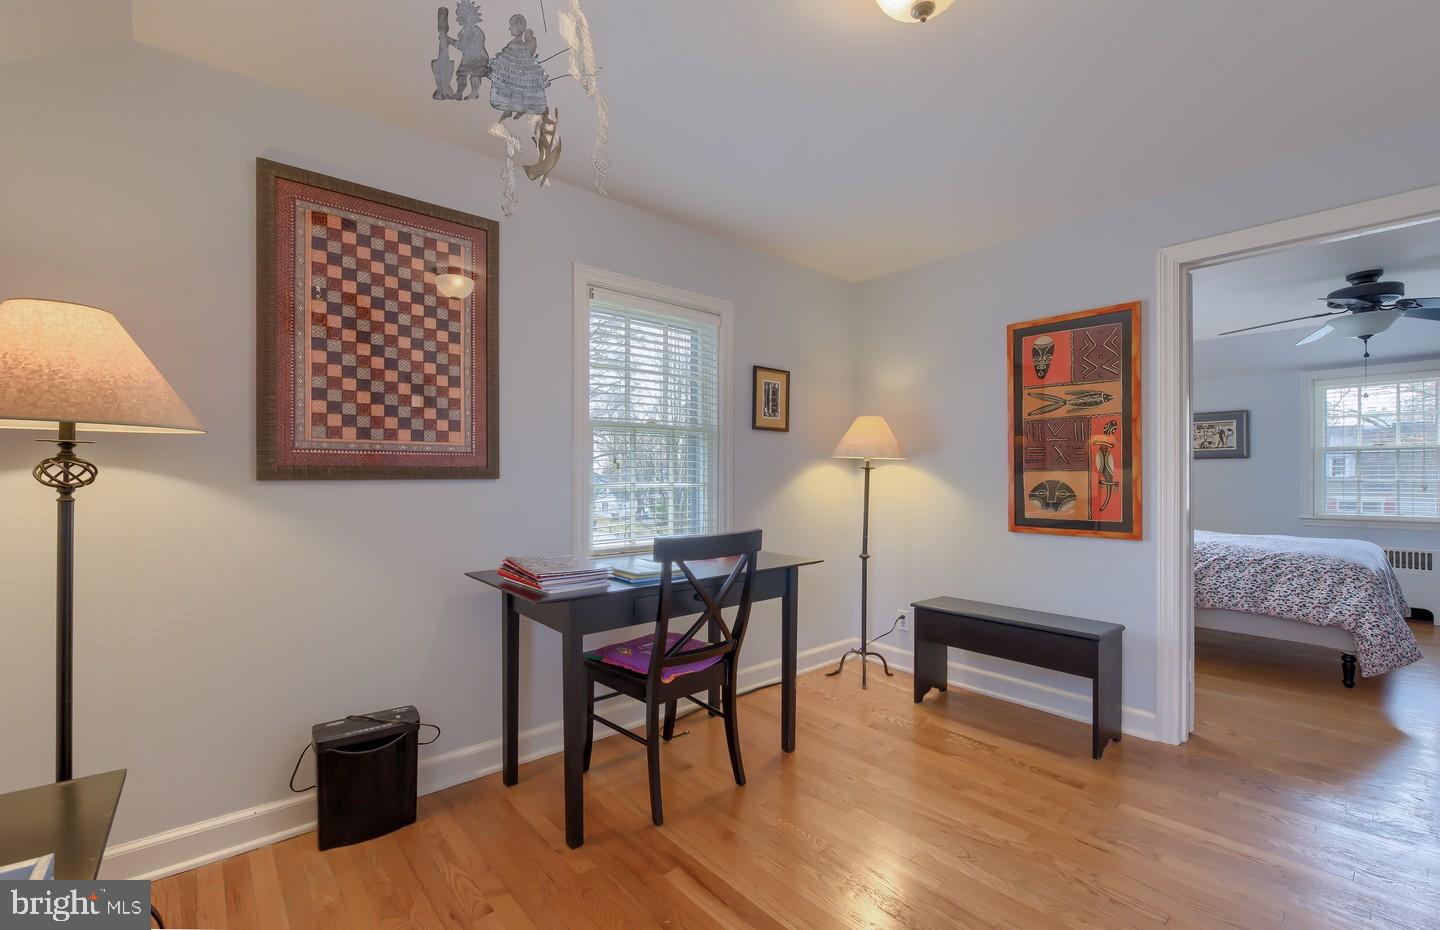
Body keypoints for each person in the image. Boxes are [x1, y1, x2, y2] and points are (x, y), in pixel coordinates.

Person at [489, 14, 548, 119]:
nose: (509, 28)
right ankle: (511, 108)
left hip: (517, 72)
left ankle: (519, 108)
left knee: (518, 88)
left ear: (518, 27)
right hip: (514, 73)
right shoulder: (516, 43)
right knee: (512, 88)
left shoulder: (517, 45)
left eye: (511, 25)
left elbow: (527, 53)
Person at [453, 0, 490, 100]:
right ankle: (459, 92)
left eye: (464, 16)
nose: (460, 19)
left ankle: (474, 92)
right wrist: (450, 41)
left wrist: (452, 42)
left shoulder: (477, 32)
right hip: (467, 59)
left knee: (475, 76)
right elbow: (460, 45)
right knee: (461, 75)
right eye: (460, 16)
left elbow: (467, 46)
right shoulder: (462, 32)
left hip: (479, 58)